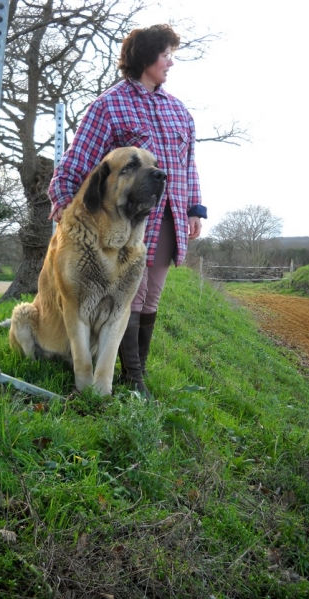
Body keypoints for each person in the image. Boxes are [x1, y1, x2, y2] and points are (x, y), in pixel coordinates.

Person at [48, 24, 207, 396]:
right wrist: (62, 202)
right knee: (126, 296)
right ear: (145, 56)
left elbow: (188, 165)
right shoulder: (109, 104)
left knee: (151, 295)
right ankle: (131, 378)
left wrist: (193, 209)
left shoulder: (178, 110)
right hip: (123, 221)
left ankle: (136, 373)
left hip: (166, 214)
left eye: (172, 54)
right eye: (165, 54)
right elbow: (79, 161)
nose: (171, 62)